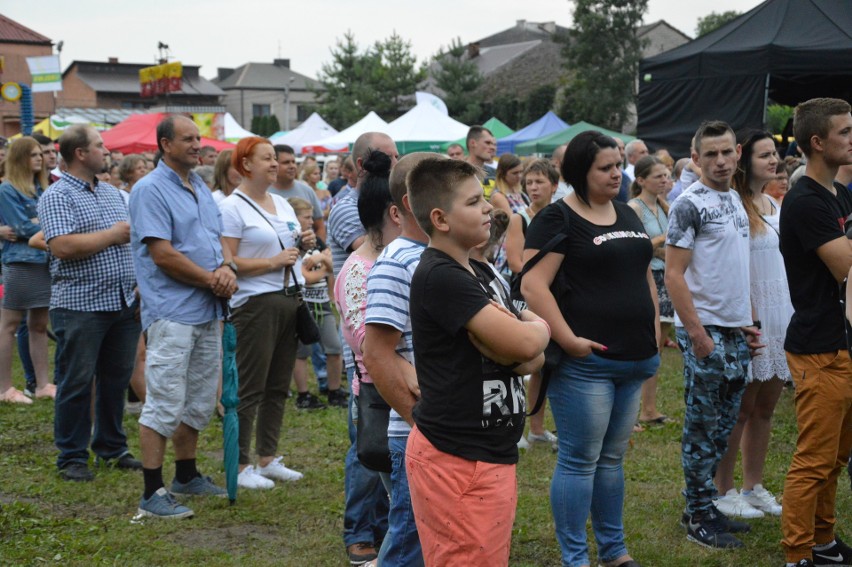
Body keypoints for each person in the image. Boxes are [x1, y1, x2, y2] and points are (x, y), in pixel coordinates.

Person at [522, 131, 660, 567]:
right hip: (588, 363)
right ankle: (576, 558)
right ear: (581, 172)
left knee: (612, 459)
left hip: (634, 357)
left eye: (620, 164)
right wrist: (567, 339)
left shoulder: (627, 213)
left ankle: (614, 552)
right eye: (606, 167)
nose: (617, 173)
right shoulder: (557, 218)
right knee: (581, 460)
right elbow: (532, 285)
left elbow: (643, 277)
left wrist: (653, 328)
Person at [406, 157, 549, 566]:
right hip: (458, 459)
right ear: (441, 218)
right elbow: (525, 345)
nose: (489, 208)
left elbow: (528, 358)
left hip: (485, 455)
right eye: (473, 202)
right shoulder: (442, 275)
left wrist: (529, 341)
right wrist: (537, 329)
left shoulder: (477, 270)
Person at [129, 115, 238, 518]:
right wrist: (214, 279)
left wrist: (227, 269)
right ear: (164, 145)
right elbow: (163, 255)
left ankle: (186, 475)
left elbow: (216, 242)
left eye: (198, 138)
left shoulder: (201, 190)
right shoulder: (149, 190)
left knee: (197, 399)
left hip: (207, 310)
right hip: (173, 311)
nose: (197, 144)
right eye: (187, 139)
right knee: (164, 400)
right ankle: (151, 492)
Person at [665, 120, 761, 550]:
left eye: (727, 153)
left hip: (734, 330)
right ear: (696, 155)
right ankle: (698, 514)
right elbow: (673, 275)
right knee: (702, 427)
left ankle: (704, 504)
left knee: (723, 426)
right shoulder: (689, 203)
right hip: (706, 331)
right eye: (711, 154)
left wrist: (748, 322)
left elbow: (733, 270)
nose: (720, 161)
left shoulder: (735, 200)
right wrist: (697, 335)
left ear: (737, 152)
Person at [38, 125, 142, 481]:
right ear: (80, 153)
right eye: (99, 145)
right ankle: (71, 456)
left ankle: (111, 446)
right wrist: (113, 235)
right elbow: (61, 246)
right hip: (80, 304)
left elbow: (131, 244)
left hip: (122, 301)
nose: (106, 150)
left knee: (115, 380)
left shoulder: (112, 194)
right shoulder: (57, 196)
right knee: (76, 381)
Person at [779, 98, 852, 567]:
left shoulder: (836, 194)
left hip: (840, 344)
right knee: (813, 460)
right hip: (818, 348)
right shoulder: (805, 199)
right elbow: (844, 266)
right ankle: (797, 553)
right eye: (844, 133)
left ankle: (823, 543)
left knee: (836, 459)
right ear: (818, 142)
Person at [220, 136, 312, 490]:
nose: (275, 164)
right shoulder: (232, 207)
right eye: (267, 159)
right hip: (254, 303)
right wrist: (272, 261)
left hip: (288, 297)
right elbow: (227, 260)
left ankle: (268, 457)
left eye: (276, 158)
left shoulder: (282, 204)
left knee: (278, 385)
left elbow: (289, 246)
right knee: (250, 385)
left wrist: (302, 245)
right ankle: (241, 464)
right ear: (245, 165)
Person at [709, 129, 792, 521]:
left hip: (780, 314)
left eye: (774, 154)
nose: (773, 160)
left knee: (765, 407)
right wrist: (749, 317)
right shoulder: (735, 206)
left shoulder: (773, 204)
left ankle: (753, 485)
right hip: (751, 315)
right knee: (739, 409)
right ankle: (722, 490)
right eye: (764, 155)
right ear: (746, 161)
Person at [362, 152, 437, 567]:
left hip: (446, 427)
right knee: (409, 542)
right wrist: (420, 422)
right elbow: (377, 354)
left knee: (429, 538)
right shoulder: (396, 262)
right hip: (417, 431)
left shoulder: (443, 257)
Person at [329, 132, 399, 567]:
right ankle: (360, 532)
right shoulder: (352, 215)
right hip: (373, 378)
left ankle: (387, 530)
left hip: (395, 374)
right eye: (386, 157)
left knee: (390, 468)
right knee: (368, 454)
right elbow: (370, 341)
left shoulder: (401, 255)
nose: (394, 162)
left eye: (395, 156)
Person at [505, 159, 559, 448]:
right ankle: (515, 427)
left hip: (553, 296)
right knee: (522, 362)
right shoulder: (520, 218)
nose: (534, 187)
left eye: (539, 182)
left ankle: (537, 428)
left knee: (546, 365)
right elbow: (515, 262)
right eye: (529, 183)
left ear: (554, 184)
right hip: (524, 298)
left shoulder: (561, 215)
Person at [0, 137, 53, 404]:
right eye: (33, 154)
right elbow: (21, 227)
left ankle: (43, 383)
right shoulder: (8, 189)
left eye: (40, 154)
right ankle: (4, 388)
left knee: (39, 325)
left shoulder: (40, 189)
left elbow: (29, 225)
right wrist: (54, 229)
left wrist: (38, 224)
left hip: (42, 260)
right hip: (21, 262)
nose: (39, 158)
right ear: (20, 157)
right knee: (9, 324)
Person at [627, 156, 674, 427]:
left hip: (664, 275)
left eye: (666, 176)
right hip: (646, 277)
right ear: (641, 180)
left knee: (657, 346)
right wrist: (661, 241)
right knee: (644, 343)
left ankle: (649, 409)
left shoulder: (664, 206)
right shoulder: (635, 207)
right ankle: (632, 412)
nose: (664, 181)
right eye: (658, 176)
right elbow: (636, 244)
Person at [288, 196, 346, 409]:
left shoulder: (318, 243)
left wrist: (320, 260)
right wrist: (322, 265)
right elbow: (305, 277)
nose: (311, 221)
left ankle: (334, 390)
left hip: (322, 304)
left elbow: (332, 266)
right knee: (302, 352)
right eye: (306, 217)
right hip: (304, 305)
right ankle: (303, 395)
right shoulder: (292, 244)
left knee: (334, 347)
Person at [269, 145, 326, 241]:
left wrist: (319, 248)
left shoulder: (307, 191)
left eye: (293, 162)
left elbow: (319, 226)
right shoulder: (265, 192)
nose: (292, 166)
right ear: (275, 164)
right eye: (286, 162)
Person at [465, 126, 497, 198]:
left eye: (493, 144)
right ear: (473, 143)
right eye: (487, 143)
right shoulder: (457, 173)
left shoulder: (494, 173)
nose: (492, 147)